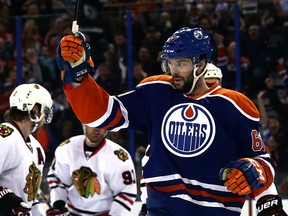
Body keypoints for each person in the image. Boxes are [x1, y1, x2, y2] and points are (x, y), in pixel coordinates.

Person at [55, 28, 287, 215]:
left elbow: (262, 162)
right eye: (170, 63)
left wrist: (253, 172)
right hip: (162, 206)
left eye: (181, 63)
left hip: (216, 209)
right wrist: (78, 77)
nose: (174, 71)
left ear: (202, 64)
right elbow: (100, 115)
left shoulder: (234, 105)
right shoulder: (157, 91)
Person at [46, 125, 137, 216]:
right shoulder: (67, 148)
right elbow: (57, 178)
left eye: (102, 124)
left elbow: (126, 191)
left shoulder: (119, 157)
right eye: (93, 123)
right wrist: (59, 204)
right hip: (72, 212)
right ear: (83, 123)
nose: (96, 129)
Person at [0, 83, 53, 215]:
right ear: (35, 111)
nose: (44, 120)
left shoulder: (37, 149)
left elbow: (30, 199)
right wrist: (3, 196)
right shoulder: (4, 138)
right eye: (44, 112)